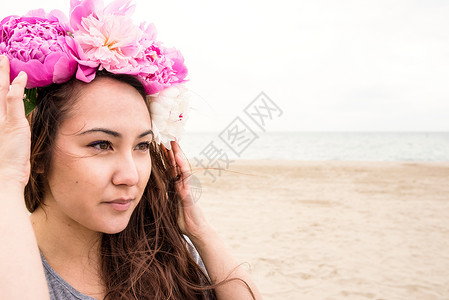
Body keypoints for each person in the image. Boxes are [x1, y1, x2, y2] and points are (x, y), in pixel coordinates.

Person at [0, 1, 262, 299]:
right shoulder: (11, 264)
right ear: (38, 150)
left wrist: (200, 231)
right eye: (101, 144)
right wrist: (8, 178)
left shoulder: (165, 256)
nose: (131, 176)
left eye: (141, 146)